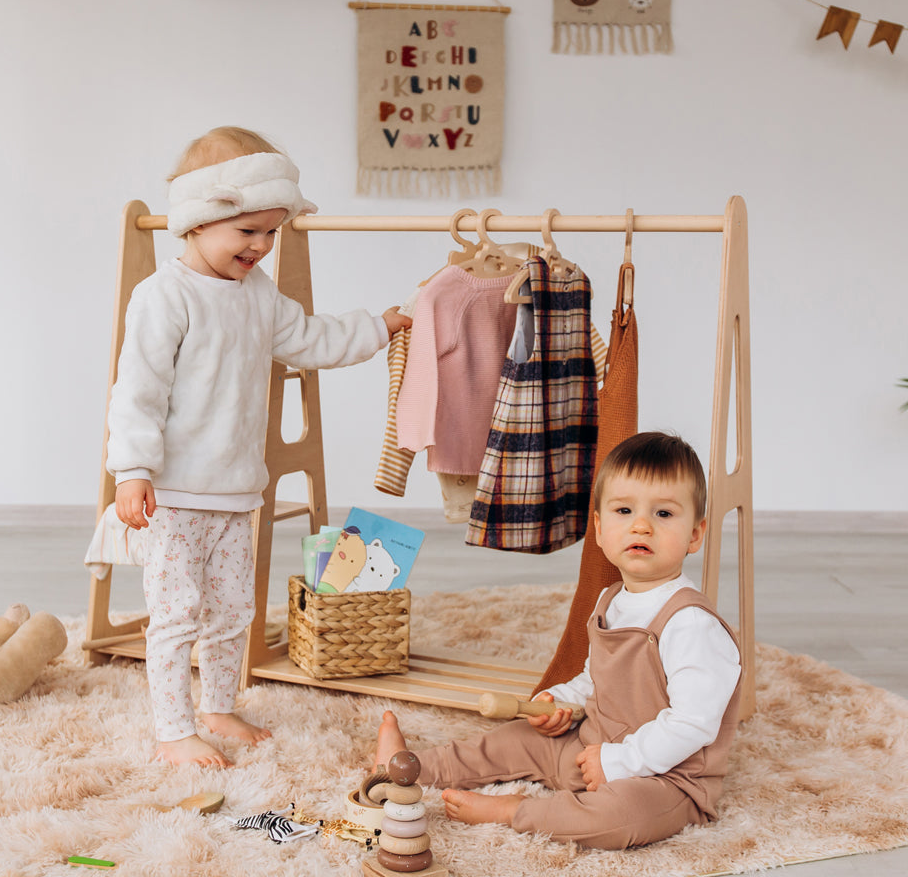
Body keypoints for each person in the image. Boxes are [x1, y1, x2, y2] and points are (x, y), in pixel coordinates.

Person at [108, 125, 411, 768]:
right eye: (247, 231)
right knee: (175, 613)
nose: (262, 246)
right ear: (196, 222)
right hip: (173, 495)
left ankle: (218, 704)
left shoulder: (259, 296)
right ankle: (172, 729)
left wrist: (378, 327)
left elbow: (310, 339)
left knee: (233, 609)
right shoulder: (165, 297)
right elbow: (137, 391)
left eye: (271, 232)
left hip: (237, 489)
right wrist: (132, 470)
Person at [374, 431, 741, 848]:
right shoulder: (611, 600)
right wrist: (560, 703)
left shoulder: (691, 623)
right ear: (600, 529)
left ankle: (515, 811)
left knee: (621, 818)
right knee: (513, 741)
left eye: (663, 514)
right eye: (624, 510)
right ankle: (410, 767)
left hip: (667, 780)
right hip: (592, 749)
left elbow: (693, 723)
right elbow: (595, 678)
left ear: (695, 534)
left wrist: (620, 762)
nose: (641, 525)